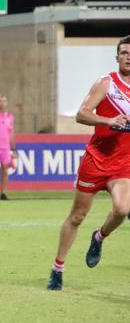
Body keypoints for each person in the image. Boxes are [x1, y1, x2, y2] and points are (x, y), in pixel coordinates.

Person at [46, 35, 130, 291]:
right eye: (124, 52)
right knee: (77, 216)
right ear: (117, 57)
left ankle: (100, 236)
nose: (128, 56)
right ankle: (57, 269)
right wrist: (107, 121)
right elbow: (82, 115)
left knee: (123, 209)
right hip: (96, 160)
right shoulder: (107, 83)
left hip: (123, 163)